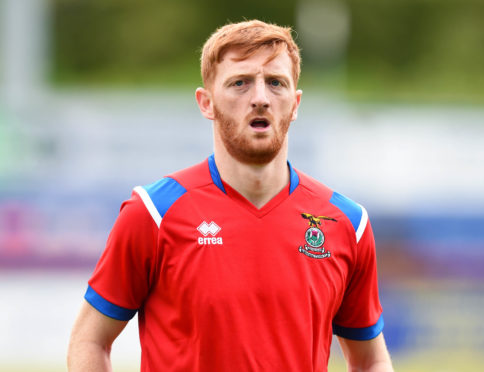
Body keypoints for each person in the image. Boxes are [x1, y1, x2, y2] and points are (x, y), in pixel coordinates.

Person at [67, 19, 393, 372]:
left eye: (276, 83)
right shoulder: (154, 213)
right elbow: (90, 340)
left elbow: (370, 359)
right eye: (240, 83)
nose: (260, 98)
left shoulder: (346, 222)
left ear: (295, 103)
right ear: (206, 103)